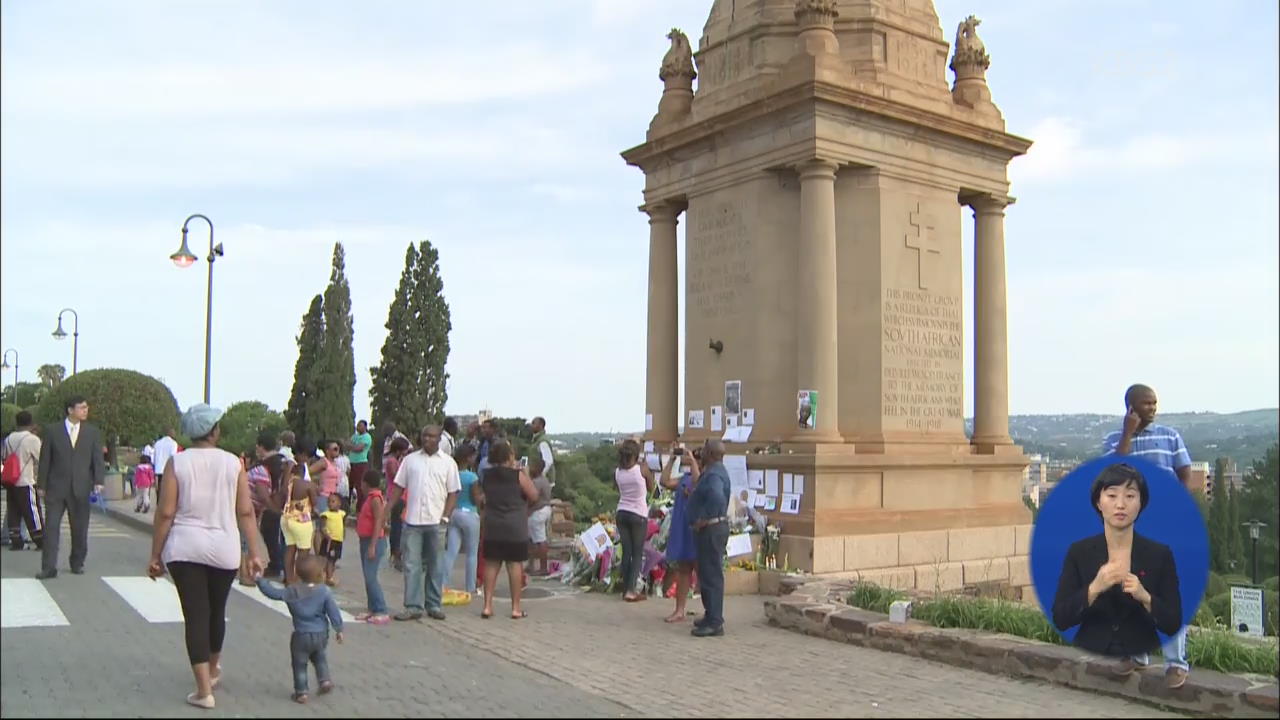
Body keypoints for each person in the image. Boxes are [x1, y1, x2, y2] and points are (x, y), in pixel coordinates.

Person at [147, 404, 264, 709]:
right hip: (224, 547)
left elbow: (166, 512)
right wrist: (254, 552)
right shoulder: (233, 463)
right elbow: (245, 511)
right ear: (215, 431)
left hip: (184, 547)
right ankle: (212, 670)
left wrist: (155, 554)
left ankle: (203, 691)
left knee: (195, 614)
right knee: (216, 611)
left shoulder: (177, 463)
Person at [1102, 383, 1193, 689]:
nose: (1153, 408)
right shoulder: (1115, 440)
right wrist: (1128, 433)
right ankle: (1136, 655)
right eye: (1147, 404)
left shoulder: (1169, 436)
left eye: (1155, 403)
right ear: (1130, 407)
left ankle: (1176, 663)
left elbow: (1184, 472)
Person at [1051, 464, 1182, 660]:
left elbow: (1173, 623)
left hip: (1140, 653)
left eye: (1130, 496)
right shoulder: (1079, 552)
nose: (1120, 505)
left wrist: (1145, 597)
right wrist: (1094, 588)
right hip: (1090, 654)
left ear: (1141, 503)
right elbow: (1061, 618)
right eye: (1112, 496)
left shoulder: (1159, 555)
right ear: (1098, 502)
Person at [387, 425, 460, 622]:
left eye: (432, 436)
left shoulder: (448, 463)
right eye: (424, 436)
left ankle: (433, 604)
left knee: (435, 565)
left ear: (439, 439)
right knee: (411, 564)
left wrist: (446, 516)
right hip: (412, 521)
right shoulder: (410, 461)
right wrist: (388, 508)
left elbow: (453, 492)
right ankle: (412, 606)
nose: (427, 439)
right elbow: (398, 486)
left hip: (436, 522)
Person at [255, 555, 344, 704]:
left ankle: (302, 692)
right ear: (320, 575)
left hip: (301, 634)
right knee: (319, 656)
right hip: (320, 633)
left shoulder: (292, 591)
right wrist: (339, 629)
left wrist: (260, 580)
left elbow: (272, 593)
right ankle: (324, 680)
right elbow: (333, 611)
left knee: (299, 663)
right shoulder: (324, 591)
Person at [37, 395, 105, 578]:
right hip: (55, 488)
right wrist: (41, 484)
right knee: (51, 528)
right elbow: (45, 460)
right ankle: (48, 567)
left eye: (86, 407)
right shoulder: (52, 431)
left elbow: (97, 459)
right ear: (70, 410)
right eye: (82, 407)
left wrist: (99, 481)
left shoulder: (92, 432)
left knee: (80, 528)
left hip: (81, 487)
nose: (85, 410)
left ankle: (77, 562)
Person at [476, 439, 538, 619]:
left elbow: (482, 497)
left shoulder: (487, 475)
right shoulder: (517, 475)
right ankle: (515, 608)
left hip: (493, 524)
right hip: (514, 526)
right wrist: (525, 474)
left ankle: (487, 606)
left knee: (491, 564)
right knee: (514, 565)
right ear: (510, 456)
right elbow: (533, 495)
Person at [687, 438, 731, 637]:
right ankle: (710, 614)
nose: (701, 452)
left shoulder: (714, 474)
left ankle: (715, 622)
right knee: (706, 573)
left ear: (711, 454)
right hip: (711, 528)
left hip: (711, 528)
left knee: (711, 574)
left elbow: (716, 496)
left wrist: (704, 518)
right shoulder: (715, 471)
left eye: (704, 450)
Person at [660, 444, 699, 623]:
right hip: (682, 527)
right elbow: (665, 481)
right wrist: (672, 459)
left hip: (697, 528)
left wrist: (693, 463)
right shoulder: (685, 478)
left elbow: (698, 487)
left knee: (702, 571)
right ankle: (679, 609)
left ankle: (710, 611)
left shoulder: (705, 478)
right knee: (683, 570)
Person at [615, 439, 656, 602]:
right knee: (637, 553)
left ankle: (625, 588)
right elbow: (654, 489)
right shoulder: (641, 469)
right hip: (638, 513)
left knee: (626, 552)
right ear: (636, 454)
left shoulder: (618, 471)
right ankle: (631, 591)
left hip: (621, 512)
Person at [276, 438, 320, 586]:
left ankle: (290, 578)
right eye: (307, 456)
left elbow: (286, 489)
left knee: (290, 548)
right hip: (301, 519)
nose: (308, 460)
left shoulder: (294, 468)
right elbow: (313, 502)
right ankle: (302, 579)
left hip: (287, 516)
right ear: (301, 453)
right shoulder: (294, 466)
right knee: (303, 551)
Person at [439, 443, 481, 597]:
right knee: (471, 553)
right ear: (469, 458)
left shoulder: (452, 474)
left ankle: (443, 584)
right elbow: (476, 499)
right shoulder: (472, 477)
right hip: (469, 513)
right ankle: (470, 587)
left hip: (453, 512)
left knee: (451, 551)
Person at [354, 470, 391, 624]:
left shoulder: (375, 499)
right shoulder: (369, 498)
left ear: (365, 483)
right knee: (367, 575)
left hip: (373, 540)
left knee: (371, 577)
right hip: (365, 539)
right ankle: (372, 607)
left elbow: (378, 522)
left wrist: (373, 545)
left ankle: (381, 609)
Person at [3, 411, 44, 551]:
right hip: (25, 481)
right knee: (32, 511)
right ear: (31, 423)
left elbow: (5, 457)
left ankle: (16, 541)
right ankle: (41, 540)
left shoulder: (9, 438)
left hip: (10, 481)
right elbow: (41, 458)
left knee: (13, 511)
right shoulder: (32, 439)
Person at [252, 432, 287, 579]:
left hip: (272, 505)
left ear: (261, 447)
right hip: (287, 504)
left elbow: (264, 493)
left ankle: (276, 565)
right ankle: (285, 567)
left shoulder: (265, 465)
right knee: (283, 538)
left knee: (270, 535)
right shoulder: (284, 461)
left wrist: (273, 507)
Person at [382, 436, 411, 572]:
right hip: (395, 495)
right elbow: (396, 477)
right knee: (397, 527)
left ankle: (396, 553)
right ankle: (395, 553)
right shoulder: (392, 461)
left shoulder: (396, 460)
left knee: (398, 526)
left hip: (399, 495)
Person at [526, 456, 552, 577]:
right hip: (545, 509)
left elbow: (533, 498)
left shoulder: (536, 482)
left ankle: (543, 567)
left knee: (540, 539)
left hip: (537, 512)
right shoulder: (544, 480)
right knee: (533, 539)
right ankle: (531, 565)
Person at [318, 493, 346, 587]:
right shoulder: (326, 515)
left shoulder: (341, 514)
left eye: (333, 501)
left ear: (339, 503)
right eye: (328, 501)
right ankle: (328, 577)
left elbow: (343, 525)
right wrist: (326, 535)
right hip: (330, 540)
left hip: (338, 540)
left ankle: (328, 575)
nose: (330, 503)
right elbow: (322, 527)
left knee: (333, 559)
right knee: (328, 559)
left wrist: (343, 534)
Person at [347, 420, 372, 506]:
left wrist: (352, 447)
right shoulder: (354, 436)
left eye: (360, 426)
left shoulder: (367, 437)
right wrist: (352, 446)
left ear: (365, 427)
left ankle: (360, 507)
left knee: (359, 486)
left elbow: (359, 449)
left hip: (361, 463)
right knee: (348, 485)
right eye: (357, 425)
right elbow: (347, 444)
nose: (358, 427)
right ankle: (347, 505)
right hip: (351, 463)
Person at [152, 427, 179, 502]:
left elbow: (155, 456)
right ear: (171, 434)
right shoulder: (173, 443)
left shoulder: (158, 443)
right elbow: (173, 457)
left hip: (158, 468)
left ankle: (158, 503)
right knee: (167, 488)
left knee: (159, 488)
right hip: (167, 468)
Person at [528, 416, 555, 487]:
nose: (531, 425)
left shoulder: (543, 441)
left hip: (544, 481)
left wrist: (540, 476)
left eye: (533, 423)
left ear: (540, 426)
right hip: (539, 480)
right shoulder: (537, 440)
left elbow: (548, 461)